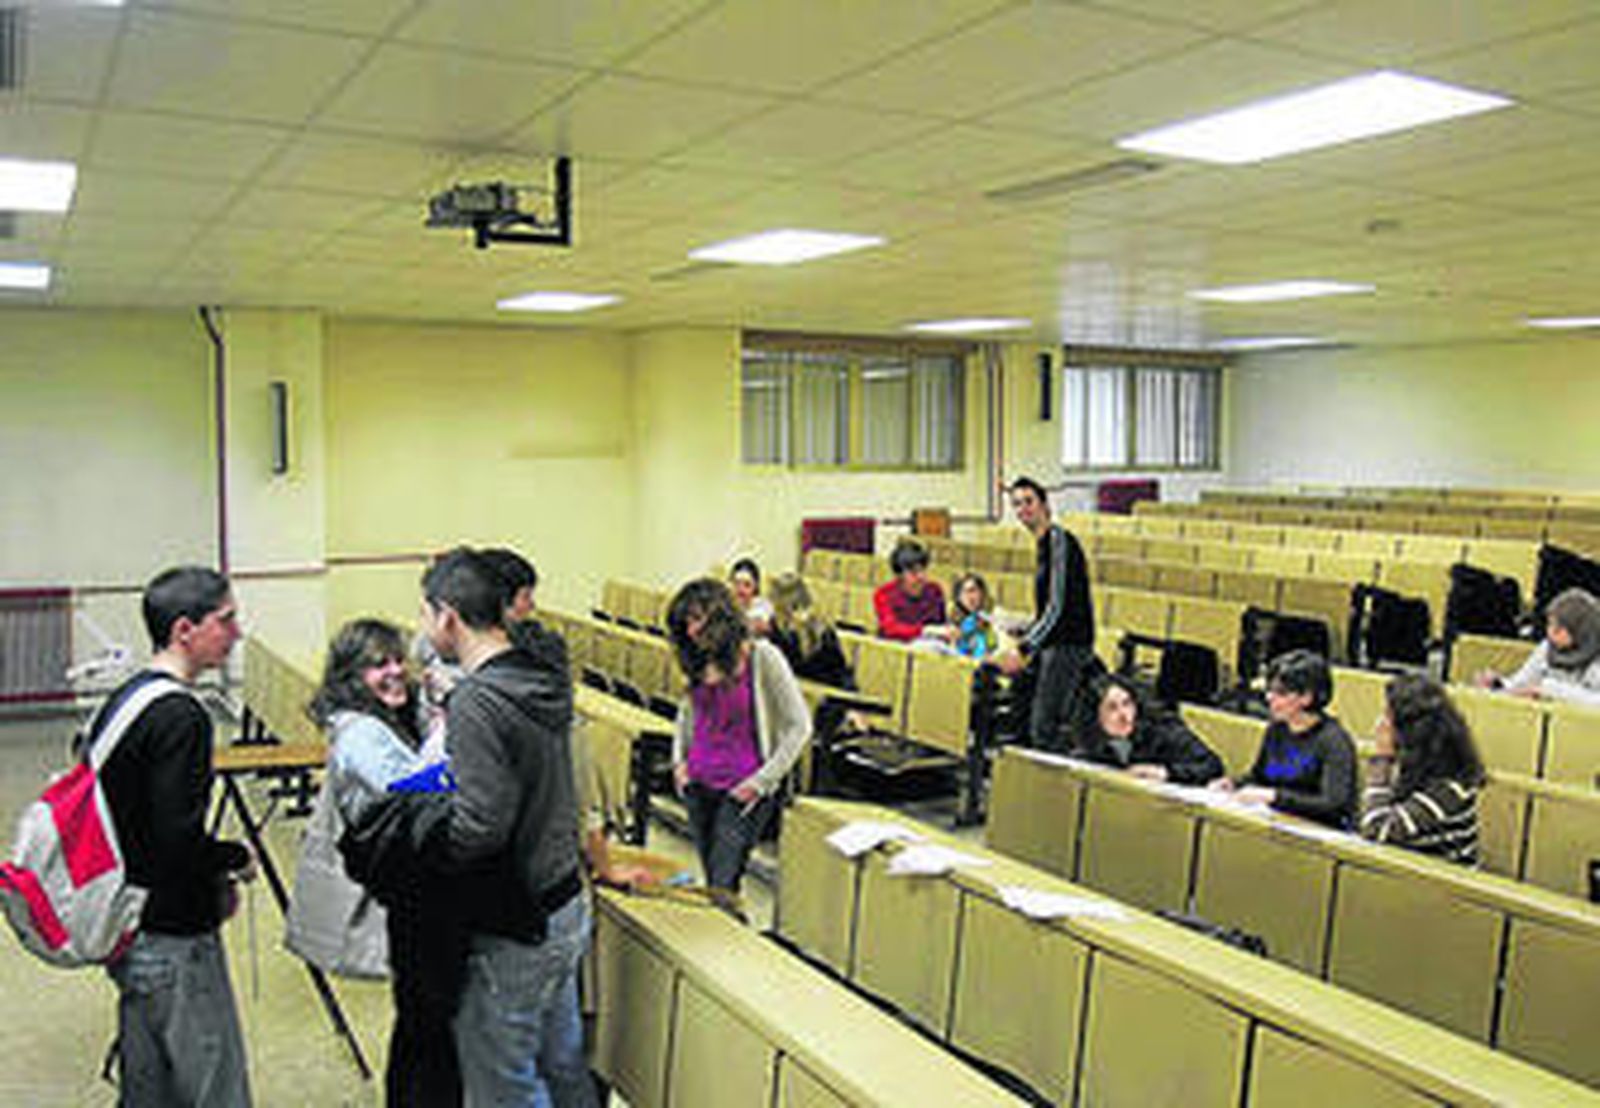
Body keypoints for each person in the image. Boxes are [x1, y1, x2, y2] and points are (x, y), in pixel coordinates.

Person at [418, 548, 596, 1107]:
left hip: (515, 921)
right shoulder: (542, 677)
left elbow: (481, 826)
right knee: (561, 1062)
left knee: (503, 1084)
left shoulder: (476, 699)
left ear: (447, 615)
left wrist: (420, 845)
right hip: (564, 902)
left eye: (426, 615)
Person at [97, 566, 253, 1107]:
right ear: (185, 629)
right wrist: (233, 857)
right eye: (226, 620)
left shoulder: (126, 699)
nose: (236, 632)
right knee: (215, 1087)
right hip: (174, 936)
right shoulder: (180, 715)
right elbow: (177, 842)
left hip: (131, 927)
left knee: (148, 1089)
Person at [308, 618, 461, 1107]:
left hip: (413, 894)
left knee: (419, 1022)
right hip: (414, 895)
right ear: (350, 677)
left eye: (398, 660)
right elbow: (417, 788)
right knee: (428, 1025)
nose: (395, 672)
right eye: (378, 665)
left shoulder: (381, 721)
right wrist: (445, 736)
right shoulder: (361, 734)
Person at [666, 578, 810, 891]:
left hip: (741, 792)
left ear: (720, 617)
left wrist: (760, 784)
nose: (691, 630)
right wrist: (679, 764)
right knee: (715, 883)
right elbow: (687, 715)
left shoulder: (763, 658)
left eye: (697, 619)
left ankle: (729, 939)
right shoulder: (698, 658)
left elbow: (799, 726)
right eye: (686, 622)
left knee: (722, 885)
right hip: (697, 785)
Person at [993, 477, 1096, 753]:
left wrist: (1025, 647)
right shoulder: (1042, 545)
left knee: (1043, 727)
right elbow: (1048, 609)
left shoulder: (1058, 541)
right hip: (1050, 643)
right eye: (1016, 504)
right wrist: (1025, 629)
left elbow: (1057, 605)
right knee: (1020, 709)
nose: (1023, 509)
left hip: (1068, 646)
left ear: (1044, 504)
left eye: (1029, 501)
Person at [1210, 649, 1358, 829]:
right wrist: (1233, 783)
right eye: (1269, 690)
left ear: (1306, 697)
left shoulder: (1334, 741)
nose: (1269, 698)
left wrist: (1276, 797)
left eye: (1280, 693)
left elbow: (1333, 804)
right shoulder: (1277, 729)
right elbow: (1259, 776)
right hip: (1276, 822)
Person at [1360, 674, 1484, 865]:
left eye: (1387, 716)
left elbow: (1376, 829)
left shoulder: (1451, 789)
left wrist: (1382, 758)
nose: (1380, 724)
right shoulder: (1414, 767)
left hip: (1441, 888)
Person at [1072, 673, 1224, 785]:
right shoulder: (1089, 747)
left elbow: (1212, 765)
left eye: (1127, 703)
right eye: (1112, 708)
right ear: (1094, 717)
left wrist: (1166, 773)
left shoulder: (1163, 730)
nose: (1124, 715)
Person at [1476, 587, 1600, 706]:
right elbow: (1521, 683)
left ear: (1581, 632)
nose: (1551, 632)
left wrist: (1549, 690)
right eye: (1550, 625)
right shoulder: (1546, 648)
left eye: (1559, 629)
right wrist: (1498, 684)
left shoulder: (1595, 661)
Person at [767, 572, 854, 689]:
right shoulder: (776, 627)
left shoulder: (822, 631)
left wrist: (804, 633)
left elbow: (835, 675)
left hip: (824, 694)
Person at [873, 539, 952, 643]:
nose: (921, 576)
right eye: (914, 572)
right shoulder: (884, 594)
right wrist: (924, 630)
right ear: (899, 575)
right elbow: (890, 629)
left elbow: (941, 624)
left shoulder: (934, 591)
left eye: (923, 570)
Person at [949, 572, 999, 660]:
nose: (970, 597)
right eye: (965, 592)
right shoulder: (952, 621)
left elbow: (993, 648)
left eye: (974, 591)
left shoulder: (990, 619)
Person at [729, 556, 774, 635]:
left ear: (755, 587)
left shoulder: (763, 607)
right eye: (736, 584)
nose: (740, 590)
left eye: (747, 585)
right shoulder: (725, 606)